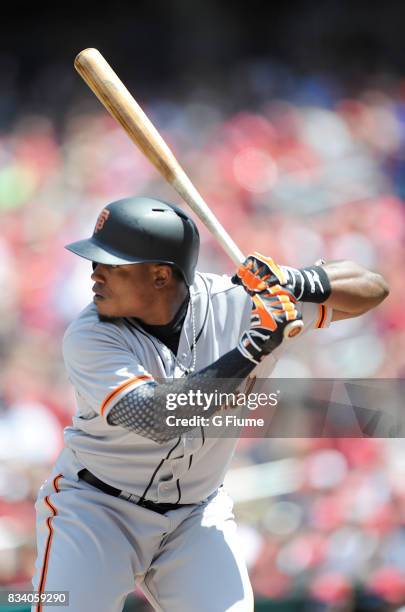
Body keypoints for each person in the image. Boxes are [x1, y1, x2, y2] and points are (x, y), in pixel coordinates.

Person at [31, 196, 389, 612]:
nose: (95, 274)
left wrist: (296, 280)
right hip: (97, 510)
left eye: (112, 264)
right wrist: (250, 351)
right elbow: (157, 416)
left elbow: (371, 289)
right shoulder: (90, 335)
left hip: (194, 516)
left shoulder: (236, 301)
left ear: (161, 275)